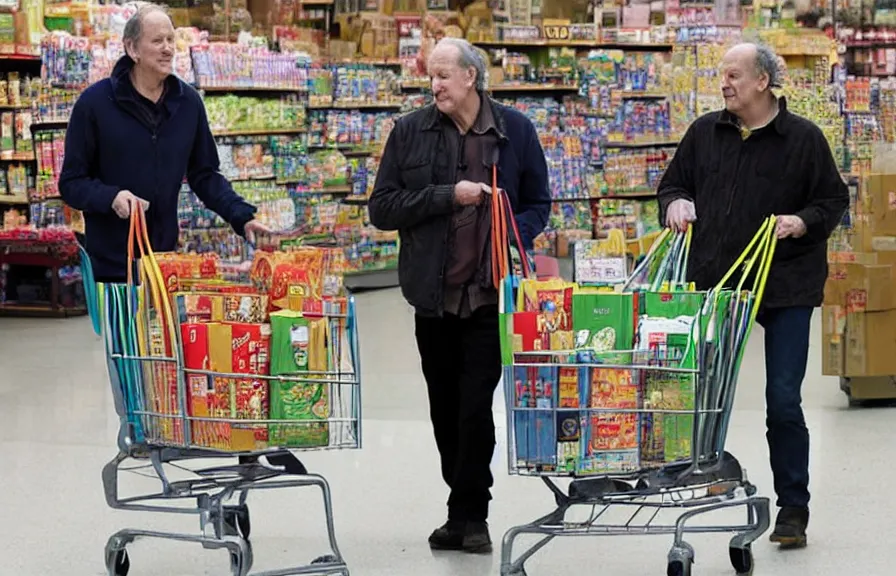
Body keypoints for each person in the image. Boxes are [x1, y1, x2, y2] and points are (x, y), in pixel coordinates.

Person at [657, 42, 848, 549]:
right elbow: (672, 185)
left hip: (786, 284)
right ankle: (704, 476)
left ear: (763, 81)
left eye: (735, 75)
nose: (725, 83)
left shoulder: (804, 139)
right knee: (704, 391)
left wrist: (802, 221)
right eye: (723, 75)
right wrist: (675, 205)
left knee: (783, 400)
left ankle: (793, 508)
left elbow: (832, 199)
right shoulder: (704, 133)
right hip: (717, 285)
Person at [368, 37, 550, 553]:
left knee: (475, 408)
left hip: (490, 297)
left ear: (471, 77)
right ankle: (460, 504)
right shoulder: (410, 131)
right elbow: (381, 209)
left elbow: (539, 201)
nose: (435, 85)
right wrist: (450, 196)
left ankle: (472, 515)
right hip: (433, 295)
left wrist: (515, 234)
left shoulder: (515, 130)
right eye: (431, 76)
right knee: (444, 409)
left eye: (444, 75)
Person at [59, 3, 270, 282]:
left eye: (171, 39)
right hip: (112, 266)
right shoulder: (95, 104)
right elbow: (71, 183)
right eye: (157, 40)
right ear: (132, 49)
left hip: (165, 263)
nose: (168, 48)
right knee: (127, 327)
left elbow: (204, 174)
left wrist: (242, 216)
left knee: (163, 327)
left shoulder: (188, 104)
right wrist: (111, 197)